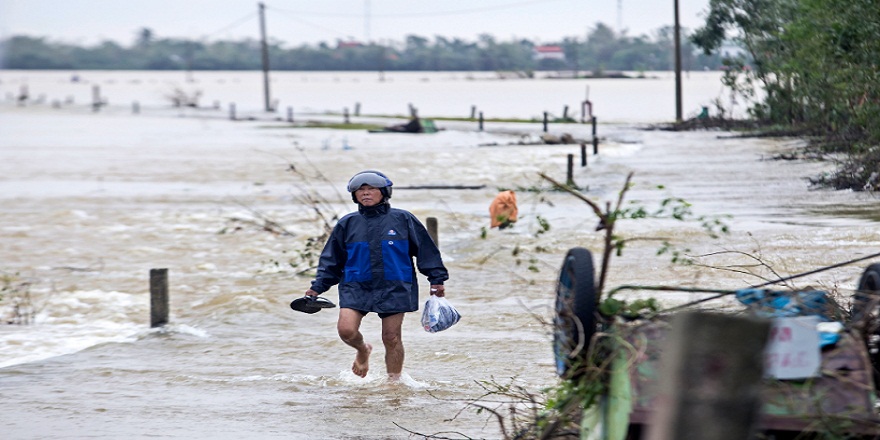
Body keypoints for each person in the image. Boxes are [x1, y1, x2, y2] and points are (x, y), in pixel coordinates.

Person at [304, 170, 449, 380]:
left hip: (395, 285)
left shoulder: (403, 219)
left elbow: (426, 251)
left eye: (371, 189)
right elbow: (332, 260)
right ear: (354, 196)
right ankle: (363, 350)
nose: (365, 193)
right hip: (356, 285)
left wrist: (437, 280)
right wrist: (318, 286)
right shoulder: (347, 223)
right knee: (346, 330)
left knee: (391, 337)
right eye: (360, 190)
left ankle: (394, 384)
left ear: (384, 192)